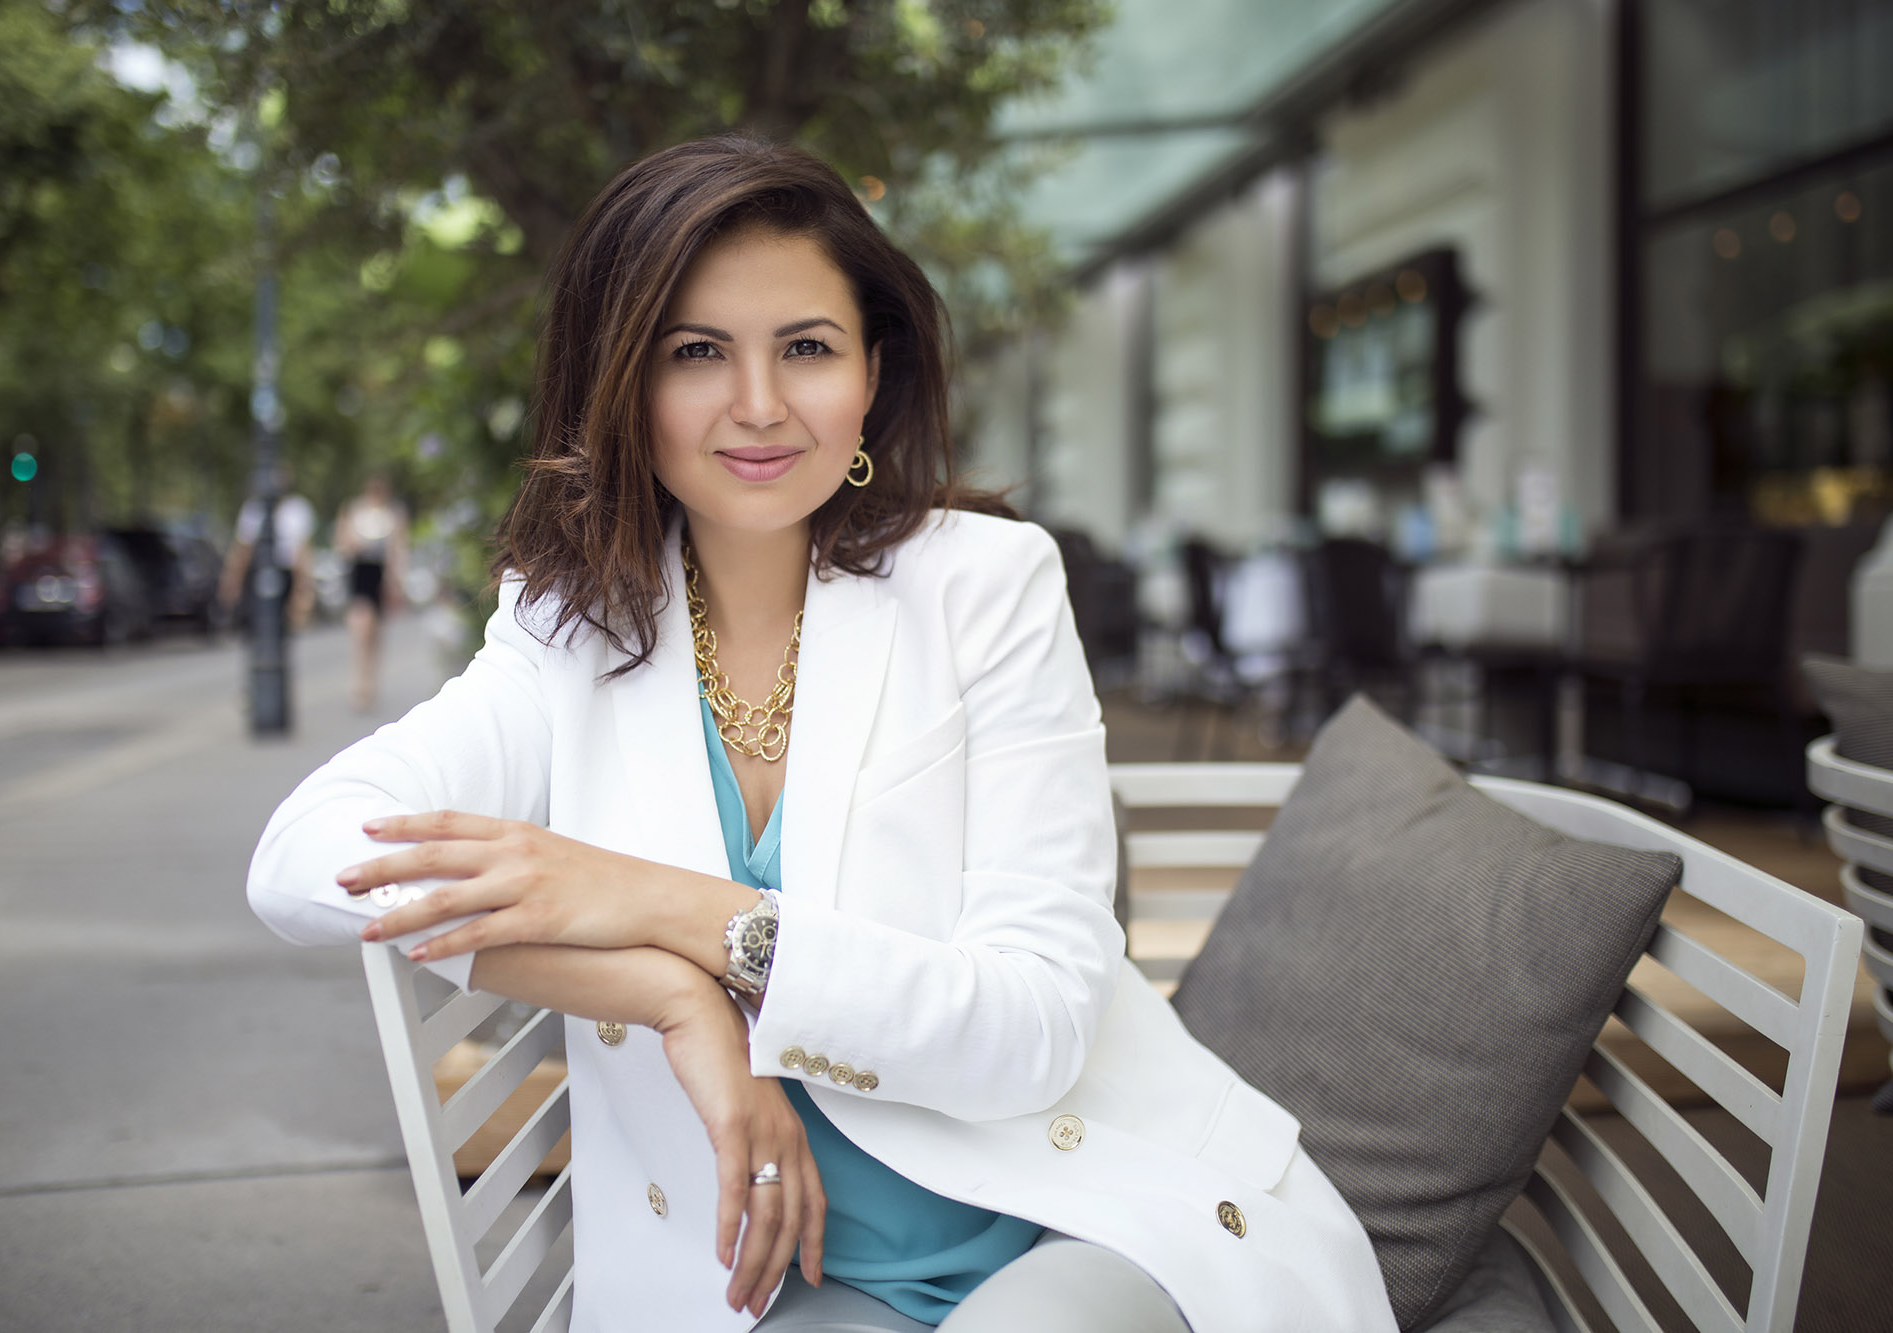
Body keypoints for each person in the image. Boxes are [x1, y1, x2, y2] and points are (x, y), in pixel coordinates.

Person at [246, 137, 1396, 1333]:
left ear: (869, 374)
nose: (757, 404)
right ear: (623, 384)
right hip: (778, 1279)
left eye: (805, 347)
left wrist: (668, 911)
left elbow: (1033, 1030)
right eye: (696, 352)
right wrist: (671, 1001)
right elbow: (300, 860)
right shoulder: (565, 629)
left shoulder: (984, 586)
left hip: (1069, 1219)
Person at [333, 473, 408, 710]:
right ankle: (360, 683)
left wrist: (396, 581)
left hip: (381, 575)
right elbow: (341, 544)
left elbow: (398, 549)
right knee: (361, 627)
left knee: (375, 632)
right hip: (360, 572)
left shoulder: (394, 514)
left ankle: (369, 682)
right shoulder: (353, 510)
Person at [220, 466, 316, 633]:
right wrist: (232, 581)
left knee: (282, 625)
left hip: (287, 572)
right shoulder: (253, 508)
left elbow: (303, 551)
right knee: (255, 621)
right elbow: (242, 549)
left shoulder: (297, 509)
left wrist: (303, 587)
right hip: (258, 571)